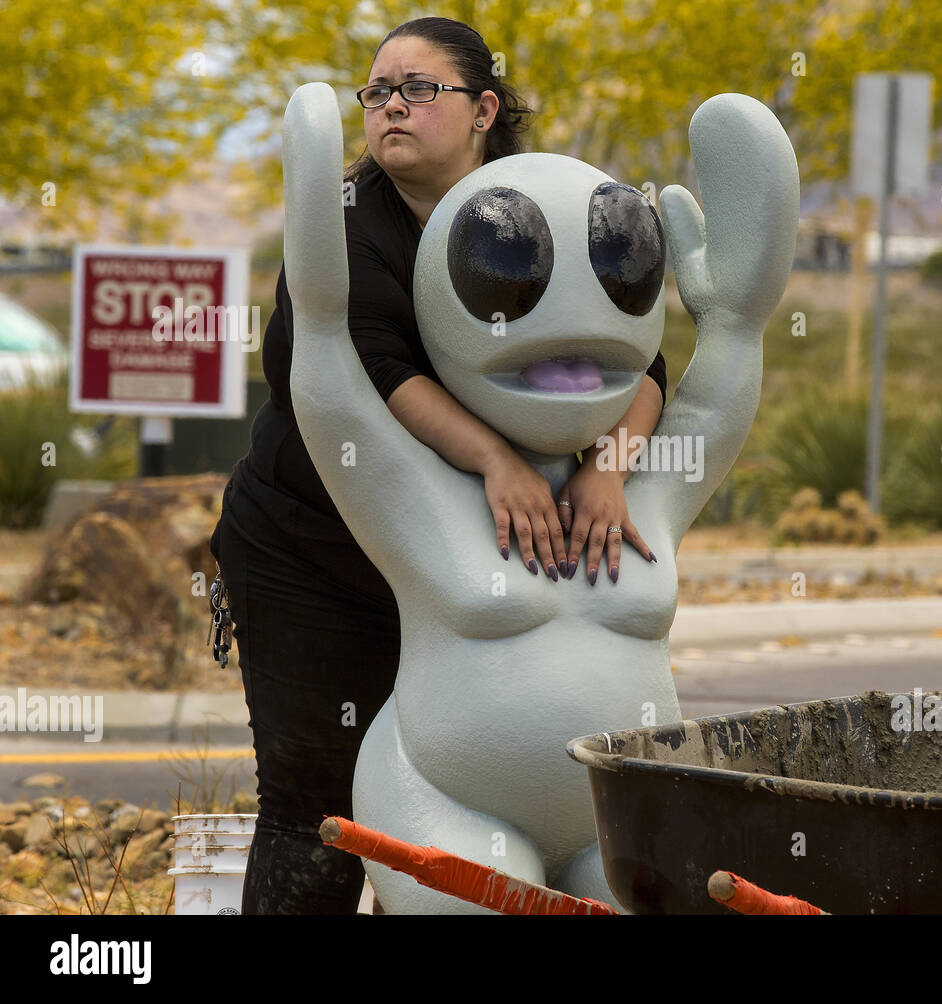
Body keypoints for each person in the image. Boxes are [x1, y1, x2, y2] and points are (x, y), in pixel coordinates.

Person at [208, 15, 669, 914]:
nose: (391, 108)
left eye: (419, 89)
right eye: (376, 92)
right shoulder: (341, 225)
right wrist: (497, 458)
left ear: (484, 107)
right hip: (317, 556)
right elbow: (371, 367)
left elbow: (638, 363)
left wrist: (610, 466)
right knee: (323, 808)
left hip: (470, 566)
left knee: (455, 808)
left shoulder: (543, 209)